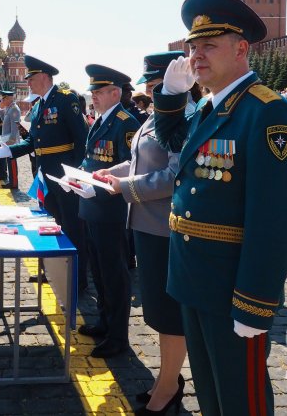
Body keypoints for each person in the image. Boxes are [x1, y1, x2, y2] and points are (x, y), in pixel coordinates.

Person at [152, 0, 287, 415]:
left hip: (230, 287)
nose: (197, 55)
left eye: (209, 45)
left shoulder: (268, 113)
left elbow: (275, 219)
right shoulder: (207, 107)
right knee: (213, 395)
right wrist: (169, 96)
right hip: (193, 279)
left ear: (241, 49)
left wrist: (254, 303)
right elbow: (171, 141)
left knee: (242, 400)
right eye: (193, 46)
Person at [99, 51, 187, 414]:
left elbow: (173, 175)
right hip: (145, 225)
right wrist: (110, 175)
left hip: (166, 228)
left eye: (156, 85)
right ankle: (166, 378)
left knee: (168, 314)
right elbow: (139, 161)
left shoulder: (182, 119)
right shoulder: (157, 117)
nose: (151, 92)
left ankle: (169, 386)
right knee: (156, 310)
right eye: (151, 86)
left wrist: (125, 187)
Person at [0, 55, 90, 290]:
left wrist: (75, 173)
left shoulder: (66, 99)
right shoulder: (38, 107)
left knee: (72, 227)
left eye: (31, 78)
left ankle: (77, 278)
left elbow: (82, 139)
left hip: (65, 177)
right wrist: (5, 152)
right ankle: (53, 271)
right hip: (45, 175)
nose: (28, 83)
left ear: (45, 77)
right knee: (50, 225)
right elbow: (32, 143)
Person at [67, 64, 140, 359]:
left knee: (114, 274)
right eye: (92, 92)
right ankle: (104, 322)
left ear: (115, 93)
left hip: (111, 211)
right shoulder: (100, 121)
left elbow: (130, 167)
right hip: (91, 206)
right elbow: (91, 160)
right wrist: (77, 175)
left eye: (98, 92)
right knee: (98, 271)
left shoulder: (125, 123)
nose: (93, 97)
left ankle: (118, 336)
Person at [0, 90, 21, 189]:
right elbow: (4, 120)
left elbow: (15, 126)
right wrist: (1, 108)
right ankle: (11, 181)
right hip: (7, 140)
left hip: (11, 141)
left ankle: (14, 183)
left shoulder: (14, 109)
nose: (2, 100)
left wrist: (11, 140)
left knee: (12, 162)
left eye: (3, 99)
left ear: (8, 98)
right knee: (9, 161)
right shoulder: (9, 108)